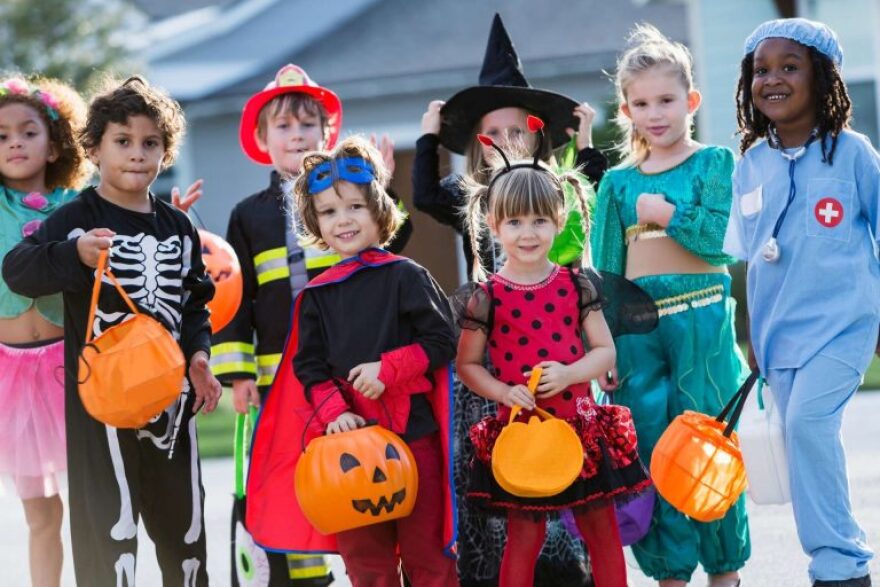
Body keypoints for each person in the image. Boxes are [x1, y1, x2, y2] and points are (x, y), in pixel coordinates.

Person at [2, 76, 222, 586]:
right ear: (94, 148)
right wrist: (71, 255)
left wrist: (200, 357)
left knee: (184, 532)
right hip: (99, 406)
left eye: (150, 143)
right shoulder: (74, 218)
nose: (136, 154)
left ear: (166, 153)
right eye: (122, 142)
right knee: (106, 529)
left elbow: (195, 304)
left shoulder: (178, 227)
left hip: (172, 399)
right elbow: (18, 270)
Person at [413, 14, 602, 584]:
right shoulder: (475, 200)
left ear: (537, 134)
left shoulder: (553, 195)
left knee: (563, 463)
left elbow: (591, 177)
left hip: (553, 350)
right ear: (478, 143)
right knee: (496, 472)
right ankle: (493, 570)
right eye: (493, 134)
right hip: (493, 358)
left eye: (518, 131)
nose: (507, 142)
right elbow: (421, 194)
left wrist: (586, 140)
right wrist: (427, 134)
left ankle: (564, 568)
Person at [245, 136, 458, 587]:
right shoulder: (317, 296)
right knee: (366, 561)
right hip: (347, 451)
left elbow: (441, 340)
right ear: (315, 224)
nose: (342, 221)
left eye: (355, 208)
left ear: (378, 211)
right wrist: (335, 413)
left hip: (414, 438)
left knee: (428, 557)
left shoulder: (406, 276)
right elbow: (310, 368)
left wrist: (389, 369)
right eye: (328, 212)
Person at [454, 124, 652, 587]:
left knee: (600, 531)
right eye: (515, 222)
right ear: (495, 226)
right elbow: (467, 365)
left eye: (540, 220)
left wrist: (570, 373)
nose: (528, 233)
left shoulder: (576, 285)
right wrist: (503, 392)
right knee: (524, 536)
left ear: (560, 220)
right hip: (525, 434)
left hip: (580, 426)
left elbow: (604, 351)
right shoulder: (487, 297)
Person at [590, 24, 750, 587]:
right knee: (653, 448)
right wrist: (604, 344)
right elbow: (608, 271)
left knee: (707, 443)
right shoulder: (616, 183)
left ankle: (724, 568)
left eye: (666, 99)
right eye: (641, 103)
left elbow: (718, 242)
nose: (655, 113)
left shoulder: (713, 163)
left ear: (691, 101)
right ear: (626, 110)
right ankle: (669, 573)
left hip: (702, 321)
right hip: (637, 332)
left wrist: (666, 216)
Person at [725, 18, 877, 587]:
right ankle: (833, 562)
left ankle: (842, 567)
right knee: (800, 442)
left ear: (821, 78)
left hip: (844, 326)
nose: (773, 79)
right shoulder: (750, 166)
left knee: (811, 426)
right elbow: (754, 264)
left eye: (789, 67)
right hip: (778, 339)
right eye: (761, 70)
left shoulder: (854, 154)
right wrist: (754, 341)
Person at [0, 76, 89, 587]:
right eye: (3, 134)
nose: (15, 142)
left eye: (28, 131)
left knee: (90, 502)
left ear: (53, 143)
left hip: (70, 369)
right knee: (41, 516)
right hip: (11, 382)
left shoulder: (76, 206)